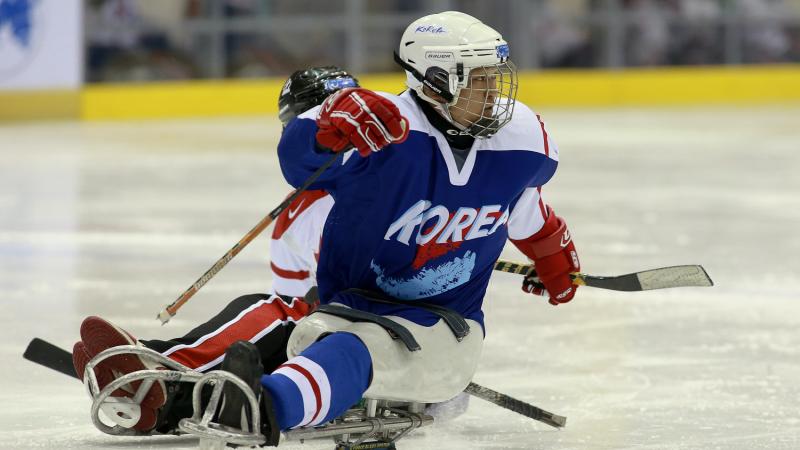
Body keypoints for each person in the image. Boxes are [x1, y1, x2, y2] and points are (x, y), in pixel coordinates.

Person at [76, 11, 581, 446]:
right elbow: (299, 159)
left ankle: (256, 404)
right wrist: (327, 125)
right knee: (314, 328)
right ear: (436, 79)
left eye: (496, 79)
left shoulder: (521, 141)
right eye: (480, 80)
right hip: (352, 309)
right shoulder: (386, 133)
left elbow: (528, 213)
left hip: (436, 326)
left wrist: (555, 258)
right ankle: (168, 389)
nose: (495, 94)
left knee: (333, 342)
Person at [71, 66, 359, 434]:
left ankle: (159, 367)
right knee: (279, 321)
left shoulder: (383, 181)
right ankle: (170, 399)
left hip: (375, 328)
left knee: (281, 312)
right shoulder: (297, 213)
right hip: (334, 337)